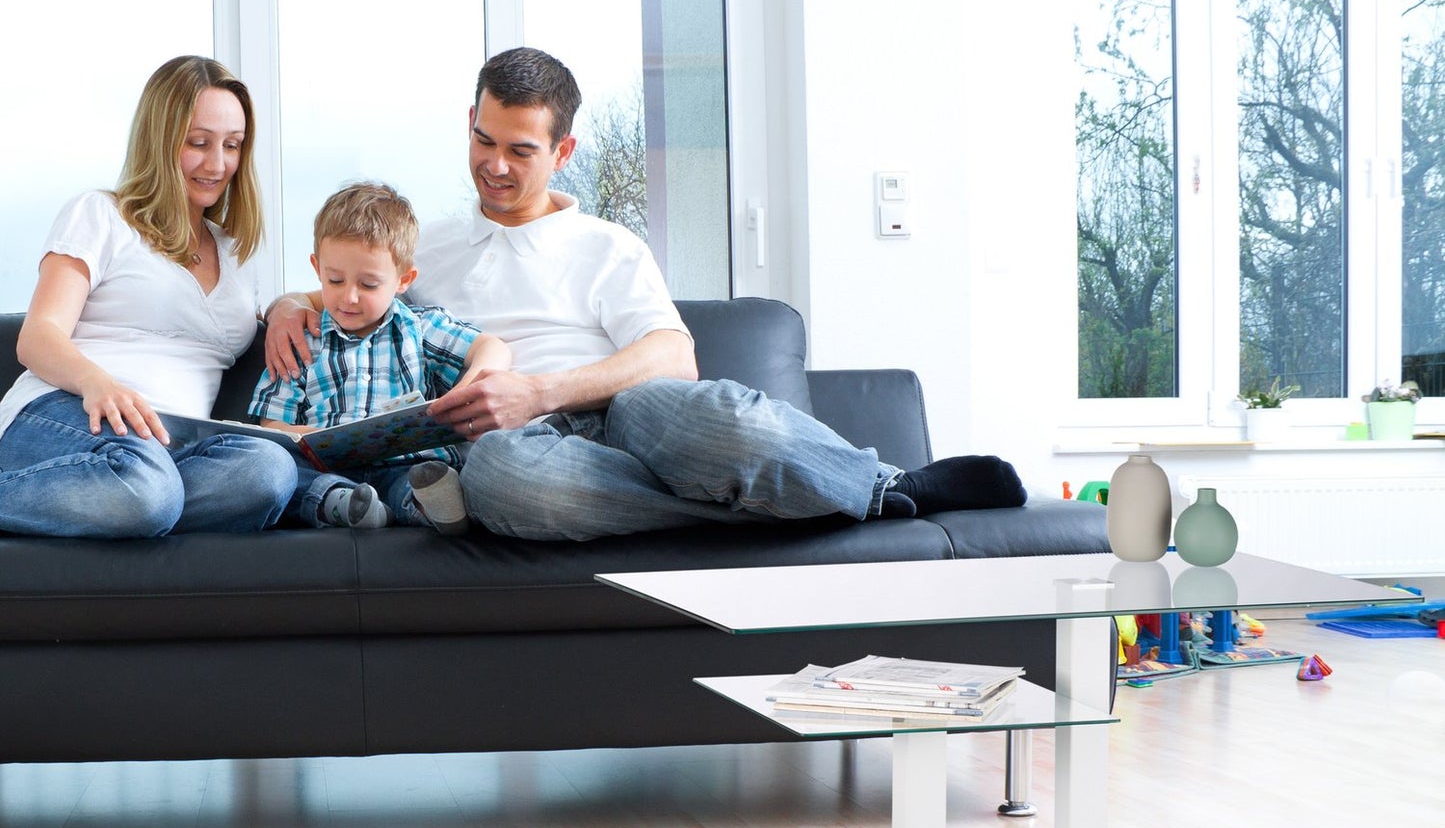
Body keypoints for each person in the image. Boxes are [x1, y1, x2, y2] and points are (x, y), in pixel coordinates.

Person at [265, 46, 1025, 542]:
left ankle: (886, 483)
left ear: (562, 151)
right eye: (484, 141)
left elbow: (673, 356)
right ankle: (752, 510)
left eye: (521, 151)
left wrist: (545, 388)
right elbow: (342, 287)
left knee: (729, 426)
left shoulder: (606, 244)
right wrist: (286, 307)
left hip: (629, 418)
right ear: (469, 123)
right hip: (520, 451)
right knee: (499, 481)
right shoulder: (421, 249)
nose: (495, 166)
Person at [0, 55, 297, 539]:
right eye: (198, 143)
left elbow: (279, 307)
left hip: (166, 444)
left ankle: (128, 507)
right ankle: (134, 499)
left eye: (232, 145)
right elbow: (38, 336)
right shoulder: (101, 214)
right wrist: (98, 383)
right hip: (72, 414)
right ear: (160, 140)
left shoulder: (235, 253)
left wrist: (292, 304)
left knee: (267, 472)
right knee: (146, 485)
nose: (217, 164)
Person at [249, 181, 509, 532]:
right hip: (328, 470)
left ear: (404, 279)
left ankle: (428, 504)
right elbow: (272, 425)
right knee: (289, 477)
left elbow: (493, 348)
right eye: (335, 280)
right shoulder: (302, 339)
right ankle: (343, 505)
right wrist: (305, 435)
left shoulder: (420, 327)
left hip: (403, 465)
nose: (349, 297)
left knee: (416, 479)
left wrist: (462, 394)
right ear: (316, 267)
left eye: (369, 285)